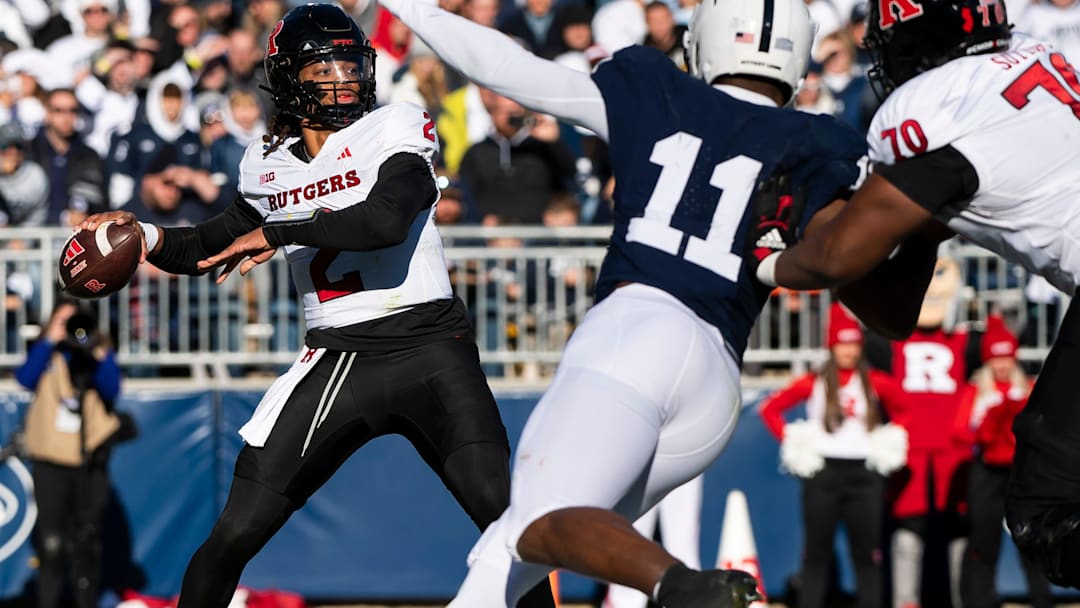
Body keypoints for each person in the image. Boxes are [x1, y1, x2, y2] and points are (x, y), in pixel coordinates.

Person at [374, 0, 906, 604]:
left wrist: (412, 7)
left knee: (537, 524)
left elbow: (506, 67)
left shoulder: (657, 93)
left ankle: (683, 586)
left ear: (705, 38)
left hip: (637, 334)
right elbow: (850, 266)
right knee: (514, 551)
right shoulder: (817, 140)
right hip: (717, 380)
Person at [76, 5, 554, 608]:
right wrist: (142, 235)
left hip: (430, 349)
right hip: (337, 359)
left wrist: (278, 232)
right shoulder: (267, 166)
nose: (344, 79)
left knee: (504, 519)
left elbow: (385, 220)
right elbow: (205, 244)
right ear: (288, 79)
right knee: (233, 534)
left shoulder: (393, 128)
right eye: (324, 68)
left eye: (350, 65)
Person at [753, 0, 1080, 589]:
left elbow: (837, 258)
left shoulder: (936, 107)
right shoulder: (1036, 59)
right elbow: (895, 312)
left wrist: (769, 257)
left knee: (1047, 511)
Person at [758, 303, 911, 608]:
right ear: (831, 346)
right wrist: (795, 441)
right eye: (842, 344)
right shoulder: (814, 381)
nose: (849, 351)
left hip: (865, 474)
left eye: (853, 344)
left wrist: (888, 439)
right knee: (816, 553)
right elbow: (770, 409)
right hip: (824, 474)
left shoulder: (874, 381)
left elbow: (906, 409)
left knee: (867, 553)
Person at [15, 299, 122, 608]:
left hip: (89, 462)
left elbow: (112, 389)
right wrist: (50, 340)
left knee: (87, 539)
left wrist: (94, 349)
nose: (70, 329)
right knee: (51, 541)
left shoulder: (94, 352)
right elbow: (25, 379)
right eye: (62, 321)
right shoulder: (48, 354)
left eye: (75, 322)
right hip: (51, 462)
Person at [954, 314, 1052, 608]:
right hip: (986, 474)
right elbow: (958, 432)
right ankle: (979, 601)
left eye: (1007, 358)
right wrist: (985, 426)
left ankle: (1042, 600)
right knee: (983, 543)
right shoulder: (976, 392)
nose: (1002, 365)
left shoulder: (1029, 389)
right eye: (996, 359)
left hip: (1021, 475)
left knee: (1031, 541)